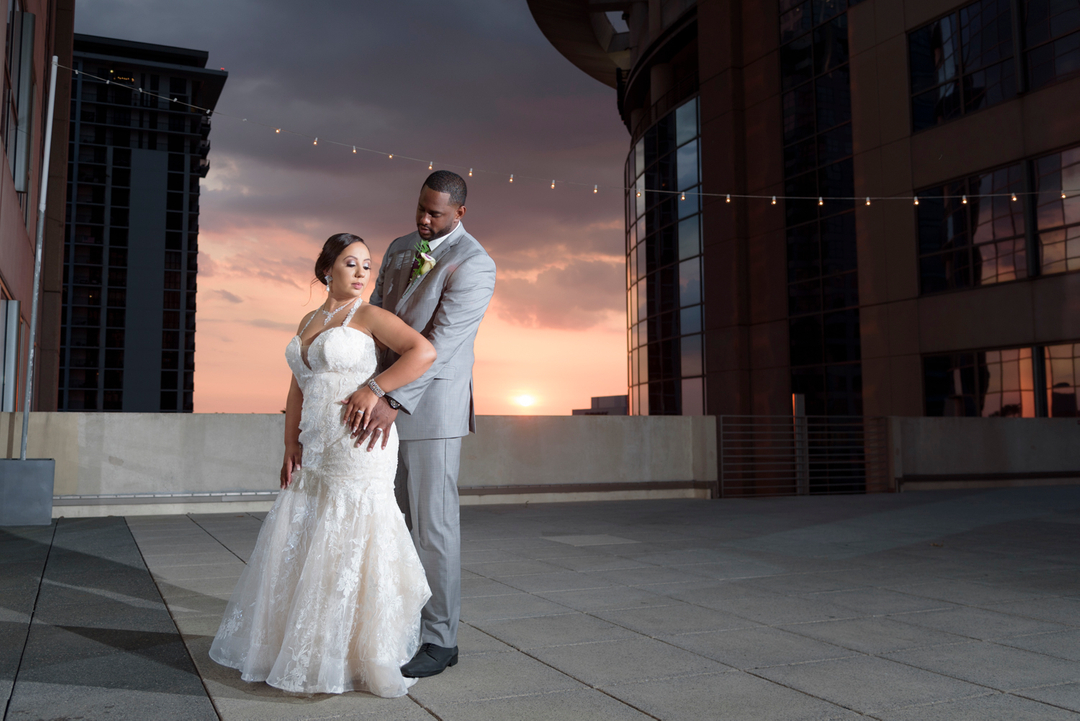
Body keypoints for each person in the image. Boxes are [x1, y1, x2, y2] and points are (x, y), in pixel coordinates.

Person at [209, 233, 437, 698]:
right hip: (315, 444)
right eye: (350, 263)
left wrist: (375, 389)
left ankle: (356, 653)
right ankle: (308, 645)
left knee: (352, 535)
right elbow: (297, 386)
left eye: (366, 266)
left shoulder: (369, 315)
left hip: (358, 441)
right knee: (310, 536)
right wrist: (289, 442)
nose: (360, 273)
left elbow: (424, 352)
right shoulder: (310, 319)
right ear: (327, 268)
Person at [359, 170, 496, 678]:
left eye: (435, 213)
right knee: (389, 522)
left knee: (433, 528)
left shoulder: (475, 264)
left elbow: (439, 346)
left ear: (460, 213)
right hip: (379, 399)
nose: (423, 219)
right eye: (420, 207)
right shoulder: (398, 247)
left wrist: (388, 397)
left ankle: (441, 640)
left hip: (428, 409)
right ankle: (398, 625)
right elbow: (375, 314)